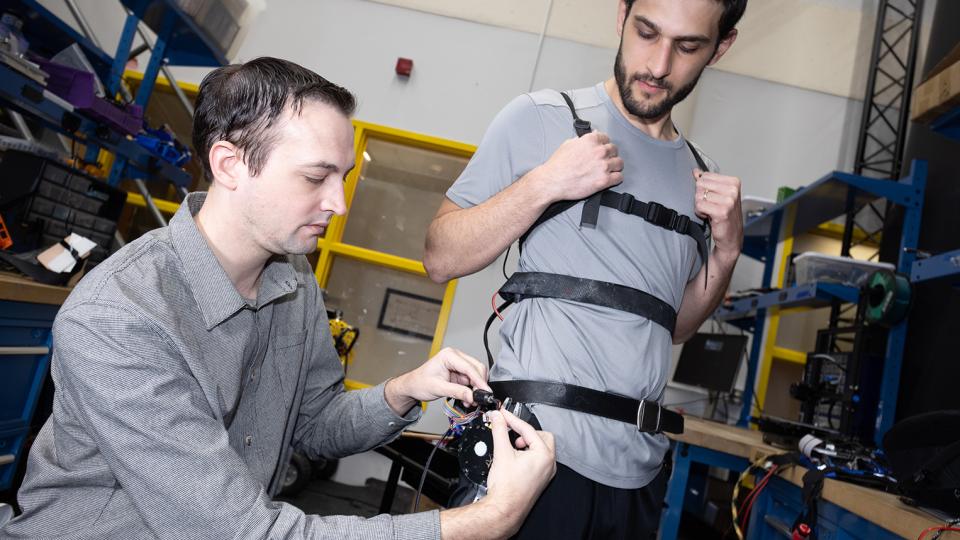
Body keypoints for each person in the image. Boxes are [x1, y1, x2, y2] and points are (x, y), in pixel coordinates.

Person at [1, 57, 555, 540]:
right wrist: (481, 522)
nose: (338, 204)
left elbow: (314, 423)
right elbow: (238, 533)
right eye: (316, 177)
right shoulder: (120, 318)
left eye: (342, 177)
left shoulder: (291, 279)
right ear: (229, 164)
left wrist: (405, 390)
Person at [424, 0, 747, 537]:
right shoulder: (541, 118)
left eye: (688, 46)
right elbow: (440, 256)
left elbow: (676, 326)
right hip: (534, 457)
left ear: (721, 47)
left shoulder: (701, 176)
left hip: (639, 473)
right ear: (621, 16)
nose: (658, 64)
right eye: (647, 33)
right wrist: (546, 183)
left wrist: (727, 251)